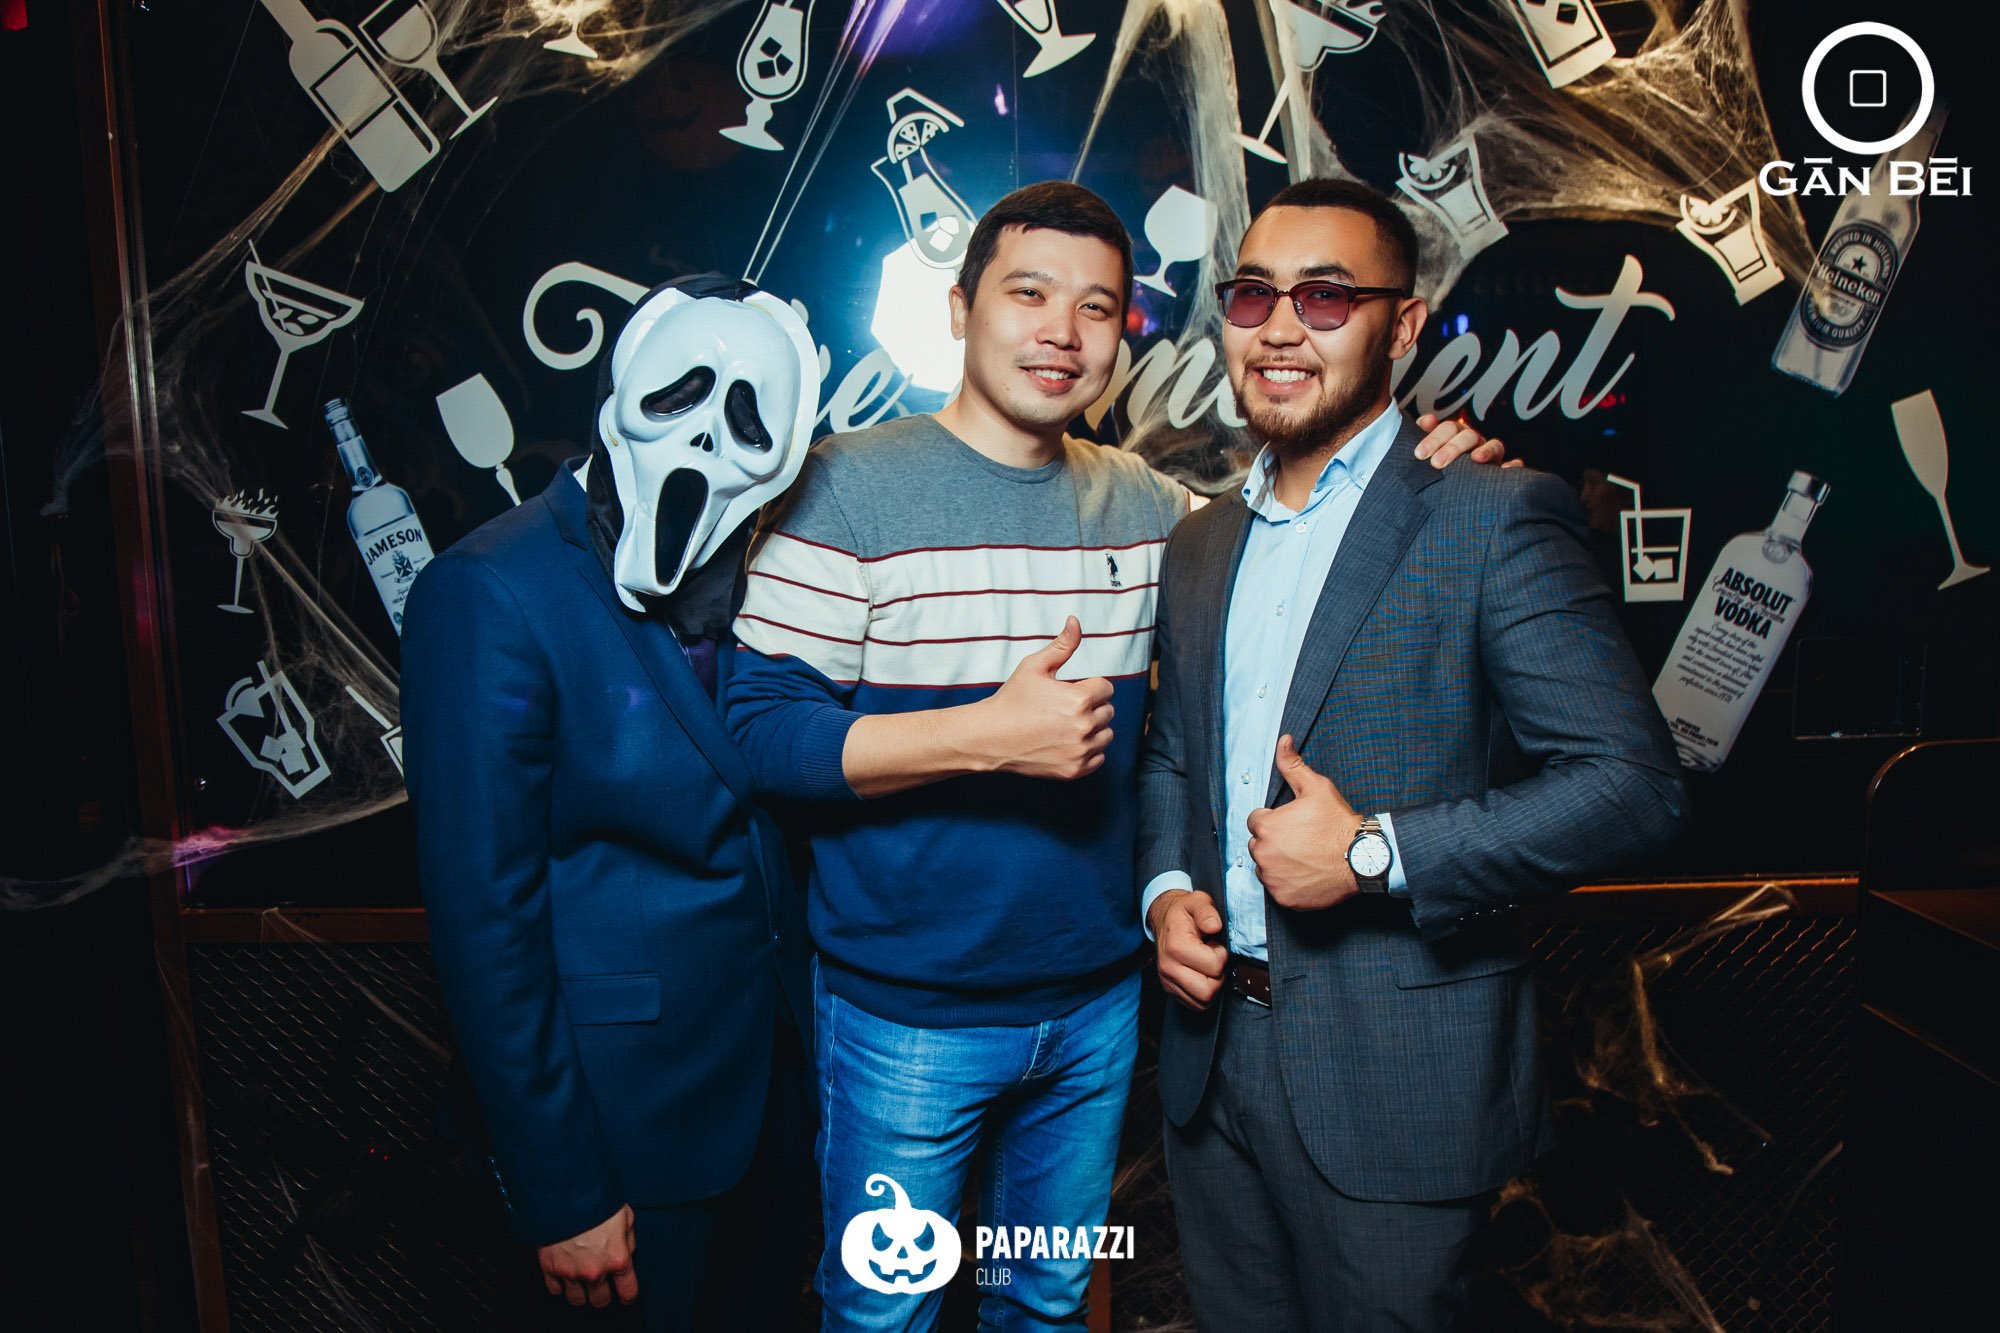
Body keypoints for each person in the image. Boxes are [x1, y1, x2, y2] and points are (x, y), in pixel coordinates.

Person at [723, 182, 1502, 1333]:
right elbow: (757, 735)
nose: (1061, 331)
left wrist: (1427, 469)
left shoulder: (1149, 509)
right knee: (884, 1312)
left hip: (1093, 1010)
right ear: (958, 309)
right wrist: (980, 736)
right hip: (906, 1018)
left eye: (1095, 308)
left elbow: (1307, 532)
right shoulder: (845, 488)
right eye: (1027, 294)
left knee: (1041, 1301)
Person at [1139, 177, 1689, 1332]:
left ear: (1401, 326)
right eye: (1251, 295)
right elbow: (1176, 760)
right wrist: (1167, 892)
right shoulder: (1198, 544)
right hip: (1208, 1061)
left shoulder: (1489, 514)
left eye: (1324, 297)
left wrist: (1370, 855)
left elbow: (1631, 786)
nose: (1278, 327)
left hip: (1392, 1075)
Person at [400, 275, 820, 1331]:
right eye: (680, 395)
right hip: (624, 1132)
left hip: (775, 1107)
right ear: (622, 389)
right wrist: (563, 1188)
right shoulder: (489, 588)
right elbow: (483, 918)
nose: (707, 439)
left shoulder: (774, 576)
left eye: (748, 419)